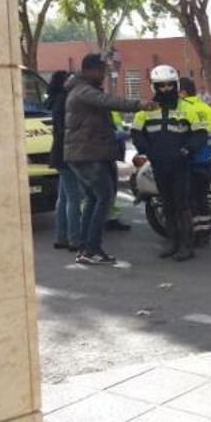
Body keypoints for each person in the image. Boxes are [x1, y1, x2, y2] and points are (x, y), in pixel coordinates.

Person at [64, 53, 154, 265]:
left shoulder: (80, 88)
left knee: (94, 199)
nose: (103, 75)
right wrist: (141, 104)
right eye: (101, 71)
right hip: (89, 155)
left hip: (86, 154)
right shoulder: (84, 91)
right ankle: (92, 248)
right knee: (104, 197)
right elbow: (110, 101)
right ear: (90, 70)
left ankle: (86, 248)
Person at [132, 66, 204, 261]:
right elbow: (136, 132)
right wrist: (146, 149)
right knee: (167, 204)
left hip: (181, 165)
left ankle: (187, 246)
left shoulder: (188, 108)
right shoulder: (146, 110)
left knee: (182, 205)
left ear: (176, 85)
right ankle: (172, 242)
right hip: (159, 165)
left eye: (169, 85)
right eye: (160, 85)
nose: (165, 89)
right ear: (154, 86)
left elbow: (200, 134)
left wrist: (186, 150)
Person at [179, 77, 211, 246]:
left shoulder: (184, 109)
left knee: (191, 201)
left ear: (183, 92)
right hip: (206, 160)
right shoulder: (207, 109)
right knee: (201, 199)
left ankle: (196, 235)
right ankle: (205, 233)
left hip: (190, 161)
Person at [47, 70, 82, 253]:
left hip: (58, 153)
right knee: (74, 198)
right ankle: (74, 240)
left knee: (64, 198)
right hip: (68, 154)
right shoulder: (66, 100)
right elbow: (68, 129)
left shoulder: (55, 99)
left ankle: (61, 237)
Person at [105, 110, 132, 231]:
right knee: (100, 191)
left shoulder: (111, 109)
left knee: (112, 189)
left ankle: (111, 219)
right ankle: (91, 220)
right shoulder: (95, 107)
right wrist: (122, 134)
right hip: (102, 155)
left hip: (113, 154)